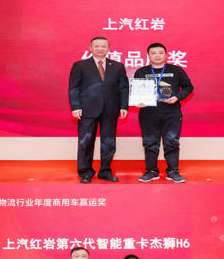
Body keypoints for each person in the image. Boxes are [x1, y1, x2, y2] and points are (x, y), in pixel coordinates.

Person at [69, 37, 129, 183]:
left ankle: (105, 171)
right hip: (86, 109)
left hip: (111, 108)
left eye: (103, 46)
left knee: (109, 142)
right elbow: (74, 88)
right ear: (90, 48)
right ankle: (85, 172)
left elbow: (123, 88)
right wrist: (75, 106)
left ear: (109, 48)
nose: (100, 49)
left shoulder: (117, 66)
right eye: (97, 46)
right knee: (86, 142)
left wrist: (123, 106)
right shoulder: (80, 65)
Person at [134, 43, 193, 183]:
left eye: (160, 53)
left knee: (172, 142)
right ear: (148, 55)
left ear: (166, 55)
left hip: (171, 113)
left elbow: (188, 87)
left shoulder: (176, 70)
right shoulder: (141, 71)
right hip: (148, 113)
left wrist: (177, 97)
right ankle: (151, 171)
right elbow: (135, 91)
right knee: (149, 143)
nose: (157, 55)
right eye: (153, 53)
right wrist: (138, 101)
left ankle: (173, 171)